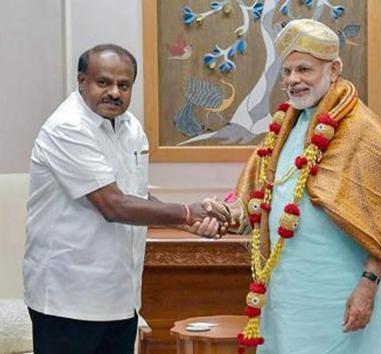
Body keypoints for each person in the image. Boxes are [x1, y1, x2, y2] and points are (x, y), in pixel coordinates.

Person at [220, 20, 381, 353]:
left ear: (334, 70)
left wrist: (368, 286)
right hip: (288, 298)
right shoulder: (283, 126)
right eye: (287, 71)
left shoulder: (361, 128)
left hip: (341, 296)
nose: (293, 80)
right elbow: (255, 196)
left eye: (304, 69)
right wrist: (225, 211)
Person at [23, 44, 228, 354]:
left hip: (121, 297)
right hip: (69, 298)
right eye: (103, 82)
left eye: (124, 85)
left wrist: (190, 222)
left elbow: (135, 195)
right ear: (81, 81)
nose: (114, 93)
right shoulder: (67, 128)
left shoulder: (130, 127)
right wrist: (187, 213)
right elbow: (113, 204)